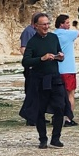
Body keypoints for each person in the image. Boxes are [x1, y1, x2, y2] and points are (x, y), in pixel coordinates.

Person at [19, 13, 67, 148]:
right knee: (40, 110)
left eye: (47, 24)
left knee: (60, 107)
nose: (46, 27)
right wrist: (41, 58)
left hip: (55, 78)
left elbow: (59, 52)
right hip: (40, 80)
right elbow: (25, 61)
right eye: (43, 24)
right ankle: (43, 139)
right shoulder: (32, 42)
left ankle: (56, 138)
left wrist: (60, 57)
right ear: (36, 26)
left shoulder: (53, 37)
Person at [53, 14, 79, 124]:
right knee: (70, 94)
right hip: (68, 69)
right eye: (67, 23)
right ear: (61, 24)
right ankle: (68, 118)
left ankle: (57, 117)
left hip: (56, 69)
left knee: (58, 95)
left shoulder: (52, 34)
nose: (69, 25)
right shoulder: (68, 34)